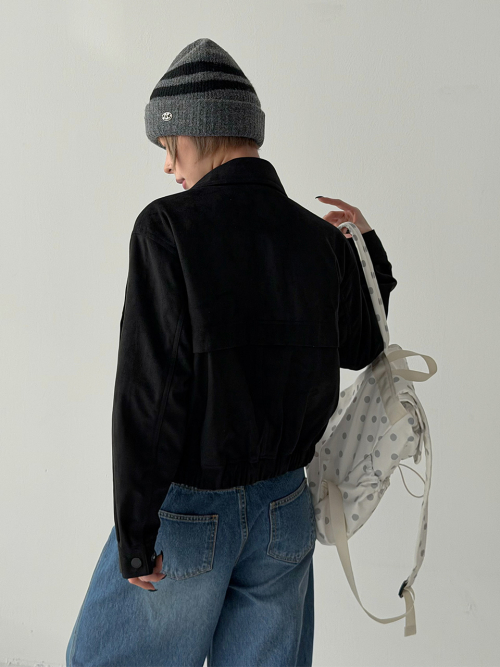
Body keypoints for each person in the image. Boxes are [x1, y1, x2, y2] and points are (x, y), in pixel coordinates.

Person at [66, 38, 397, 667]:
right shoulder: (315, 238)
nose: (169, 166)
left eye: (169, 145)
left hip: (191, 512)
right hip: (285, 512)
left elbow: (151, 390)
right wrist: (366, 248)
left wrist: (135, 532)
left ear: (199, 130)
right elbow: (364, 346)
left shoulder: (168, 228)